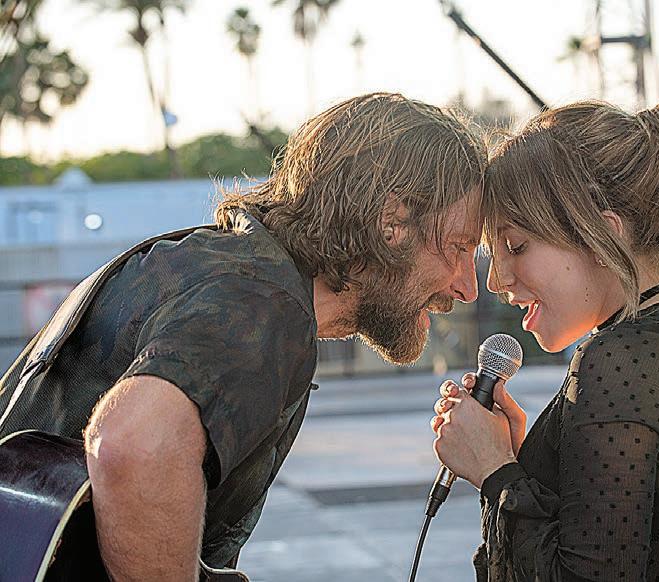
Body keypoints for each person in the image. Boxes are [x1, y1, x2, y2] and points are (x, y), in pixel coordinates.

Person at [0, 93, 486, 580]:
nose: (468, 287)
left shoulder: (219, 267)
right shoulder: (261, 304)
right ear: (392, 223)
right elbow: (136, 446)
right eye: (459, 248)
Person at [431, 93, 659, 580]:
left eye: (516, 246)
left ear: (604, 235)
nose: (496, 279)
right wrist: (518, 462)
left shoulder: (621, 358)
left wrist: (495, 471)